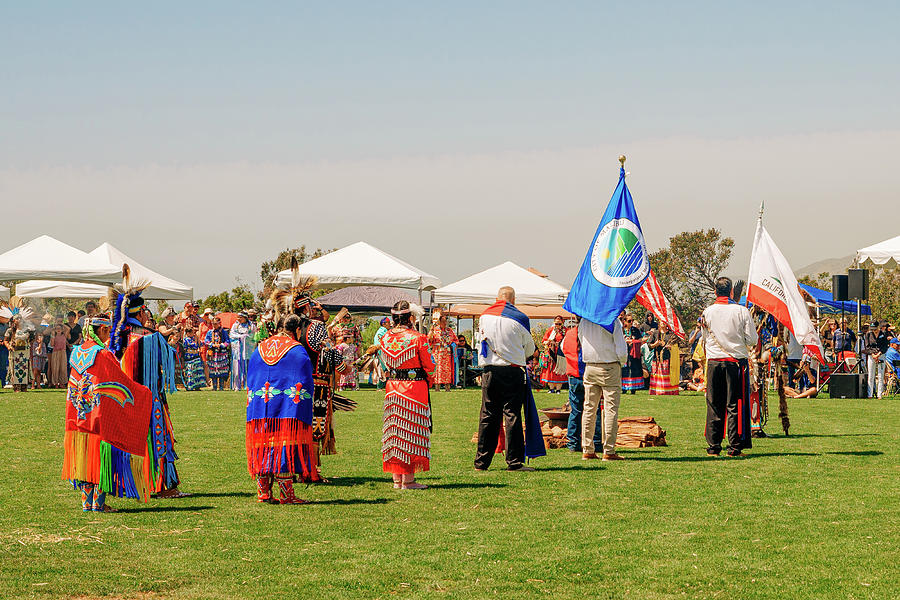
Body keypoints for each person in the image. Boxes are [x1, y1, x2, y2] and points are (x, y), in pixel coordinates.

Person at [62, 313, 154, 513]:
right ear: (102, 330)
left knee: (84, 456)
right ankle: (99, 503)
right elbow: (120, 382)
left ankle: (88, 503)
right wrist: (144, 393)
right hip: (98, 416)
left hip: (78, 414)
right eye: (108, 331)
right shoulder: (103, 355)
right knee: (101, 456)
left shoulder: (77, 352)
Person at [246, 313, 320, 504]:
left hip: (261, 405)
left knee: (263, 442)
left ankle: (263, 492)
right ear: (297, 330)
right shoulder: (297, 350)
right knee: (284, 443)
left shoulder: (260, 347)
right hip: (287, 408)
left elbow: (252, 378)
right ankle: (286, 494)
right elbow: (305, 380)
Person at [474, 286, 536, 472]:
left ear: (496, 298)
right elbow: (530, 349)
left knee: (488, 415)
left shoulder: (484, 316)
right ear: (514, 299)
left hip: (489, 371)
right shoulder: (520, 318)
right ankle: (514, 462)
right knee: (512, 415)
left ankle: (481, 462)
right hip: (512, 370)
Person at [379, 301, 435, 489]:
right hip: (414, 388)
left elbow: (385, 363)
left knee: (395, 431)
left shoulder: (385, 338)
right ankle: (409, 481)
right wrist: (430, 378)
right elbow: (430, 366)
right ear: (410, 317)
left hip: (392, 387)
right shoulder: (418, 338)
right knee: (411, 431)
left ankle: (397, 480)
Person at [700, 277, 758, 457]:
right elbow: (752, 340)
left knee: (714, 404)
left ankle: (713, 447)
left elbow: (705, 338)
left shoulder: (707, 312)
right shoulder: (742, 311)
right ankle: (734, 447)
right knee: (735, 404)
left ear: (716, 292)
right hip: (735, 363)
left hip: (714, 362)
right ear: (732, 292)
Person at [577, 312, 628, 461]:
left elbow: (581, 339)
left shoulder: (585, 321)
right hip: (609, 365)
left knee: (589, 408)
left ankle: (587, 449)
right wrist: (622, 362)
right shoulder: (612, 319)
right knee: (610, 408)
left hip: (590, 366)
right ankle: (609, 450)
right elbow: (621, 347)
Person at [560, 317, 602, 452]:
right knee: (594, 409)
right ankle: (596, 442)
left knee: (576, 410)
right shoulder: (591, 334)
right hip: (590, 373)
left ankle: (573, 442)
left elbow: (563, 348)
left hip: (574, 375)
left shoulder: (570, 333)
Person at [648, 321, 680, 395]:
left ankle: (668, 391)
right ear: (659, 323)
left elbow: (676, 344)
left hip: (667, 358)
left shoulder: (671, 334)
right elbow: (649, 344)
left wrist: (670, 347)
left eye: (664, 321)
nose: (663, 323)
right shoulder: (655, 333)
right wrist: (655, 344)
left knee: (667, 375)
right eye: (661, 321)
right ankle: (657, 391)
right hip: (657, 358)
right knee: (657, 376)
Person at [428, 311, 457, 392]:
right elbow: (429, 340)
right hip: (437, 352)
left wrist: (452, 345)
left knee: (447, 370)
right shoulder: (435, 330)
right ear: (439, 322)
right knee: (438, 369)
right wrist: (431, 331)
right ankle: (437, 387)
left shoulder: (449, 330)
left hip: (447, 353)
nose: (445, 323)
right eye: (443, 321)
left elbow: (456, 340)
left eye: (445, 321)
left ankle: (447, 387)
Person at [332, 311, 360, 391]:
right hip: (338, 349)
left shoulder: (354, 327)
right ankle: (339, 385)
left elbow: (358, 338)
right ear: (341, 318)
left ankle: (352, 385)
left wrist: (357, 349)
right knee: (339, 368)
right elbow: (332, 338)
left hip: (350, 349)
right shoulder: (336, 327)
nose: (346, 319)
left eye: (348, 317)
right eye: (344, 317)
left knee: (351, 369)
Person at [539, 316, 568, 393]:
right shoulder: (550, 330)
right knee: (550, 370)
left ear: (562, 323)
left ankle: (558, 389)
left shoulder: (566, 331)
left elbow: (569, 341)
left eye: (559, 323)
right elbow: (544, 340)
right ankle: (551, 389)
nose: (557, 325)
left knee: (560, 370)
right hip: (551, 354)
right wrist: (549, 342)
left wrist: (560, 344)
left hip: (561, 354)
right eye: (556, 323)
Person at [229, 311, 254, 390]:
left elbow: (253, 336)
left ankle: (248, 385)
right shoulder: (235, 325)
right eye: (238, 317)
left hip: (247, 351)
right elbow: (231, 334)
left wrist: (246, 337)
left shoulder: (251, 326)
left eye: (240, 317)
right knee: (237, 367)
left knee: (247, 367)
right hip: (237, 349)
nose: (238, 319)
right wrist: (240, 337)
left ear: (245, 318)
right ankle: (237, 385)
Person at [205, 316, 231, 391]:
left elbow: (227, 341)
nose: (214, 325)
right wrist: (212, 345)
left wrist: (221, 345)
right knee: (213, 370)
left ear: (219, 323)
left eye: (216, 324)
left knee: (221, 370)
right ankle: (214, 387)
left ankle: (221, 387)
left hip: (221, 353)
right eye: (213, 324)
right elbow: (206, 341)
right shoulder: (210, 332)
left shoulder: (224, 332)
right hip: (213, 354)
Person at [621, 314, 645, 393]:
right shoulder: (620, 330)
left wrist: (634, 341)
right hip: (624, 353)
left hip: (634, 354)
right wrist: (625, 341)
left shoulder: (635, 330)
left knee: (633, 370)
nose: (631, 322)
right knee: (624, 370)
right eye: (629, 321)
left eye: (632, 321)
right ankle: (624, 388)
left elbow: (640, 339)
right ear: (624, 321)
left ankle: (633, 388)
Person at [180, 324, 205, 390]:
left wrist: (197, 338)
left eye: (193, 332)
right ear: (187, 333)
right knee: (190, 372)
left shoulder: (195, 338)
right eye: (191, 332)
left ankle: (197, 386)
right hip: (189, 358)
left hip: (196, 357)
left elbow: (200, 345)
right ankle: (190, 386)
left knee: (197, 372)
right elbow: (187, 347)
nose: (192, 334)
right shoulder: (185, 340)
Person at [48, 323, 70, 388]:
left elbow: (68, 329)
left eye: (59, 329)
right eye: (57, 329)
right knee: (55, 368)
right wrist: (52, 334)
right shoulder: (54, 336)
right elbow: (52, 345)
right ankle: (56, 383)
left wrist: (61, 324)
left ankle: (62, 383)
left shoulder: (64, 335)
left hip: (63, 352)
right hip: (56, 352)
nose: (58, 330)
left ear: (62, 330)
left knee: (63, 368)